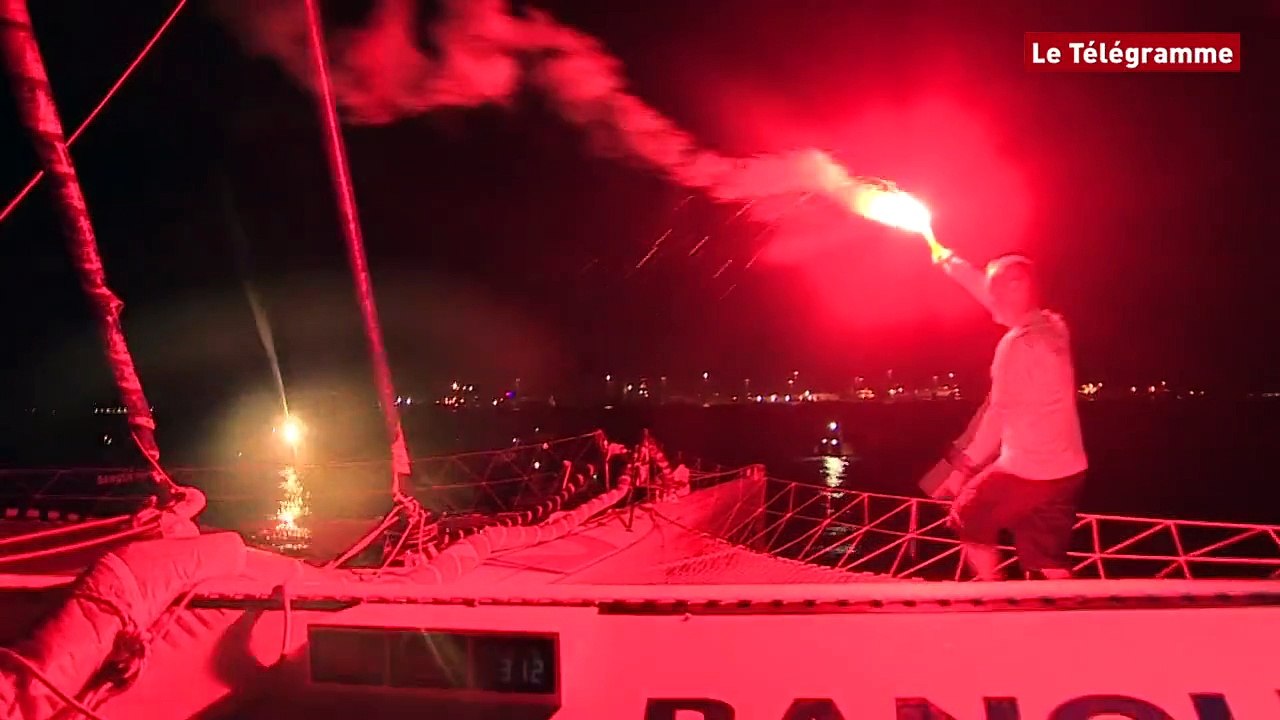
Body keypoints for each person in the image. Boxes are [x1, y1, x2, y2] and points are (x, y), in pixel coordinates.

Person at [931, 248, 1088, 580]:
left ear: (1014, 288)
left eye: (997, 287)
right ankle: (1075, 618)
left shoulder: (1018, 348)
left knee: (969, 514)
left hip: (1030, 470)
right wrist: (952, 263)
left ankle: (993, 596)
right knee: (1047, 558)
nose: (991, 297)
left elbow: (998, 415)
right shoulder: (1053, 326)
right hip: (1068, 470)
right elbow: (998, 296)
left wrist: (962, 471)